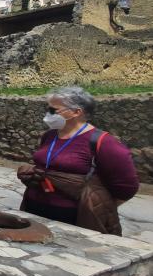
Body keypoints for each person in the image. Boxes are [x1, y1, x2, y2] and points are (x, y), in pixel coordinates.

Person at [17, 86, 138, 235]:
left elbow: (127, 187)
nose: (49, 114)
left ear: (76, 112)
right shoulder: (49, 136)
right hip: (34, 209)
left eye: (54, 110)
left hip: (75, 219)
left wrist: (94, 205)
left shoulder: (103, 142)